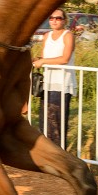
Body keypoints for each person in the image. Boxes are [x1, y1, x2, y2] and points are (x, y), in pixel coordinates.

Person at [32, 9, 77, 146]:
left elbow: (65, 58)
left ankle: (60, 154)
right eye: (51, 18)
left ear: (64, 20)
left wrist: (43, 62)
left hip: (62, 83)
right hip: (48, 82)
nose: (54, 21)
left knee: (57, 123)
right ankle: (48, 154)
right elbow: (45, 57)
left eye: (58, 18)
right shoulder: (46, 36)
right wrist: (38, 59)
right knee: (44, 122)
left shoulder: (68, 35)